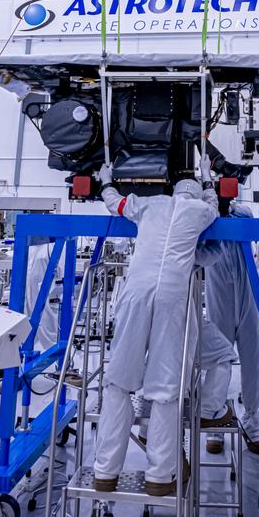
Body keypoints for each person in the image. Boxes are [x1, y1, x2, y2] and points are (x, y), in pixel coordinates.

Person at [93, 156, 219, 497]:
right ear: (192, 195)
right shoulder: (200, 212)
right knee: (165, 388)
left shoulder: (149, 204)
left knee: (119, 381)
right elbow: (214, 206)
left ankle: (104, 473)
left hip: (136, 292)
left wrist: (106, 179)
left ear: (173, 191)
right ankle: (160, 477)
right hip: (172, 298)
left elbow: (113, 202)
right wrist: (208, 177)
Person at [198, 201, 259, 455]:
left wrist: (227, 206)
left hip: (248, 301)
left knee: (252, 361)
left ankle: (252, 419)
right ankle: (215, 420)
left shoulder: (241, 213)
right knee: (219, 362)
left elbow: (245, 217)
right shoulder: (206, 218)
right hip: (220, 303)